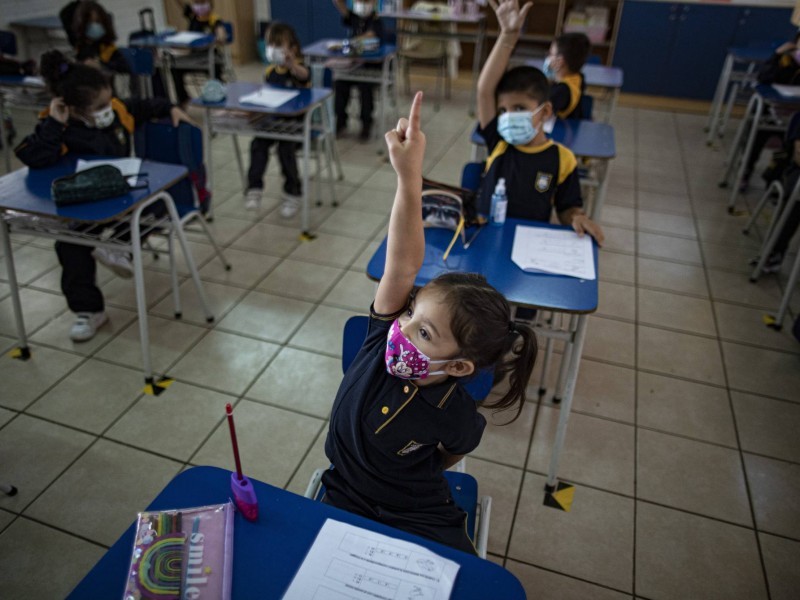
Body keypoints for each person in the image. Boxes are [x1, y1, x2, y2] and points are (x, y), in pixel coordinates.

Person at [322, 91, 538, 554]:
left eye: (423, 332)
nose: (402, 328)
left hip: (416, 510)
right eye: (410, 313)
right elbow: (401, 266)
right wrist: (408, 178)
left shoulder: (454, 410)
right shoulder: (381, 338)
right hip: (344, 492)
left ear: (459, 367)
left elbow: (453, 453)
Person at [14, 50, 193, 342]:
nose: (108, 107)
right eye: (99, 106)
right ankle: (89, 311)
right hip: (86, 203)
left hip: (125, 196)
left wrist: (170, 107)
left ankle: (119, 246)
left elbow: (144, 105)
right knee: (69, 246)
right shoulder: (59, 127)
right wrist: (55, 124)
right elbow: (32, 155)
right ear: (72, 108)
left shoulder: (118, 111)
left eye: (109, 100)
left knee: (157, 205)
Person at [476, 0, 604, 244]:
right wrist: (507, 37)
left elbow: (568, 208)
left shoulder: (562, 158)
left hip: (529, 244)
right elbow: (484, 90)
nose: (509, 116)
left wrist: (577, 217)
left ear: (545, 112)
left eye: (520, 108)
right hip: (488, 241)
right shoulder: (500, 143)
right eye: (503, 109)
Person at [244, 23, 309, 216]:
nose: (274, 49)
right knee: (258, 144)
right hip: (273, 121)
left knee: (285, 149)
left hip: (295, 122)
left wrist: (292, 65)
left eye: (279, 45)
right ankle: (254, 188)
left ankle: (293, 192)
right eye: (271, 45)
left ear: (293, 48)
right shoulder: (270, 72)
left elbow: (305, 76)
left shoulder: (299, 68)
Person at [739, 34, 800, 191]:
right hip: (769, 112)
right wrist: (777, 55)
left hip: (794, 119)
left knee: (788, 149)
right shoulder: (784, 59)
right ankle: (745, 171)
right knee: (756, 139)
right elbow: (764, 77)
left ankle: (775, 176)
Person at [331, 0, 383, 141]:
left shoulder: (376, 20)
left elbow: (371, 35)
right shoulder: (354, 18)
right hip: (353, 67)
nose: (362, 3)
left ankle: (366, 123)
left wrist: (351, 42)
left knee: (365, 87)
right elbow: (339, 4)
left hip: (371, 68)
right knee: (340, 83)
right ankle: (341, 121)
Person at [171, 0, 228, 106]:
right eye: (197, 4)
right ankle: (183, 99)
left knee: (215, 68)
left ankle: (219, 98)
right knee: (175, 67)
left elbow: (220, 31)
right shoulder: (193, 16)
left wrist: (220, 36)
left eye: (202, 3)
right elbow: (181, 4)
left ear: (209, 5)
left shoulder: (213, 19)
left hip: (210, 57)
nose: (200, 7)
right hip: (194, 57)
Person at [70, 1, 131, 76]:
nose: (95, 26)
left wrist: (102, 66)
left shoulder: (108, 48)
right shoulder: (79, 49)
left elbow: (125, 69)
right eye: (90, 23)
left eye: (98, 22)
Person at [543, 32, 590, 120]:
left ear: (560, 61)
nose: (548, 57)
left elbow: (540, 112)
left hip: (558, 130)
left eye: (550, 54)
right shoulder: (578, 77)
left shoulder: (561, 91)